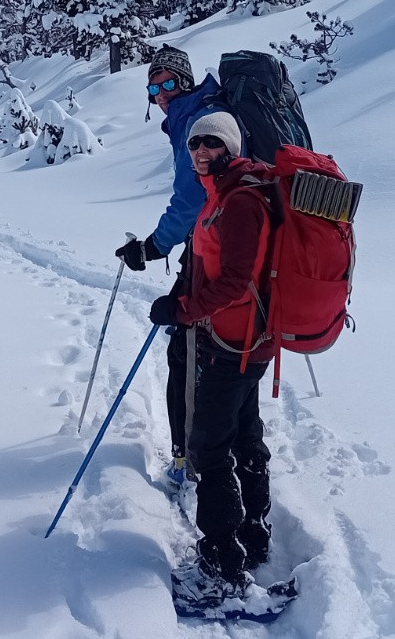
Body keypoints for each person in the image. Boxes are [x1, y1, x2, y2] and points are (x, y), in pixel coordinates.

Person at [147, 111, 279, 608]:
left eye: (212, 142)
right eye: (194, 143)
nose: (201, 150)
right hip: (242, 339)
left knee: (209, 445)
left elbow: (237, 282)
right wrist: (183, 296)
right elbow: (212, 267)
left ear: (231, 148)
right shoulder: (221, 194)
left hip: (235, 342)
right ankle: (253, 535)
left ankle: (222, 566)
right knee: (243, 435)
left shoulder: (240, 201)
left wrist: (184, 311)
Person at [114, 44, 230, 487]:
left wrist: (153, 247)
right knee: (220, 357)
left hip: (215, 252)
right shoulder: (208, 109)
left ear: (184, 80)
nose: (160, 95)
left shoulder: (196, 121)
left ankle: (189, 462)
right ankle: (220, 460)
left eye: (166, 83)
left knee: (187, 354)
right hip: (231, 246)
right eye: (152, 89)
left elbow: (190, 199)